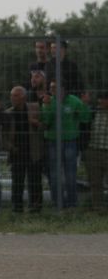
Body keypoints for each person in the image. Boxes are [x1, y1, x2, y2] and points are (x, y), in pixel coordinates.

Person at [40, 79, 91, 209]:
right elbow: (46, 121)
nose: (51, 90)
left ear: (63, 89)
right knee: (54, 174)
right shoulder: (49, 101)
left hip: (70, 142)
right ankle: (57, 203)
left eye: (54, 87)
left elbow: (85, 119)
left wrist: (85, 105)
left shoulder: (74, 101)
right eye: (51, 87)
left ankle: (72, 203)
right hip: (53, 142)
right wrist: (47, 106)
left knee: (70, 173)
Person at [1, 85, 44, 214]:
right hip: (17, 153)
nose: (12, 98)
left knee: (35, 181)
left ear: (23, 97)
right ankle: (17, 208)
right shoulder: (8, 114)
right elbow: (3, 136)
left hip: (33, 151)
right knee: (17, 182)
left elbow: (46, 125)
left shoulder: (35, 108)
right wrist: (11, 148)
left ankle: (35, 207)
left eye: (16, 95)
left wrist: (37, 124)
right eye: (11, 95)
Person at [85, 92, 108, 212]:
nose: (100, 102)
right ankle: (98, 207)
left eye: (104, 99)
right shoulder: (94, 112)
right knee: (95, 181)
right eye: (100, 99)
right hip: (93, 150)